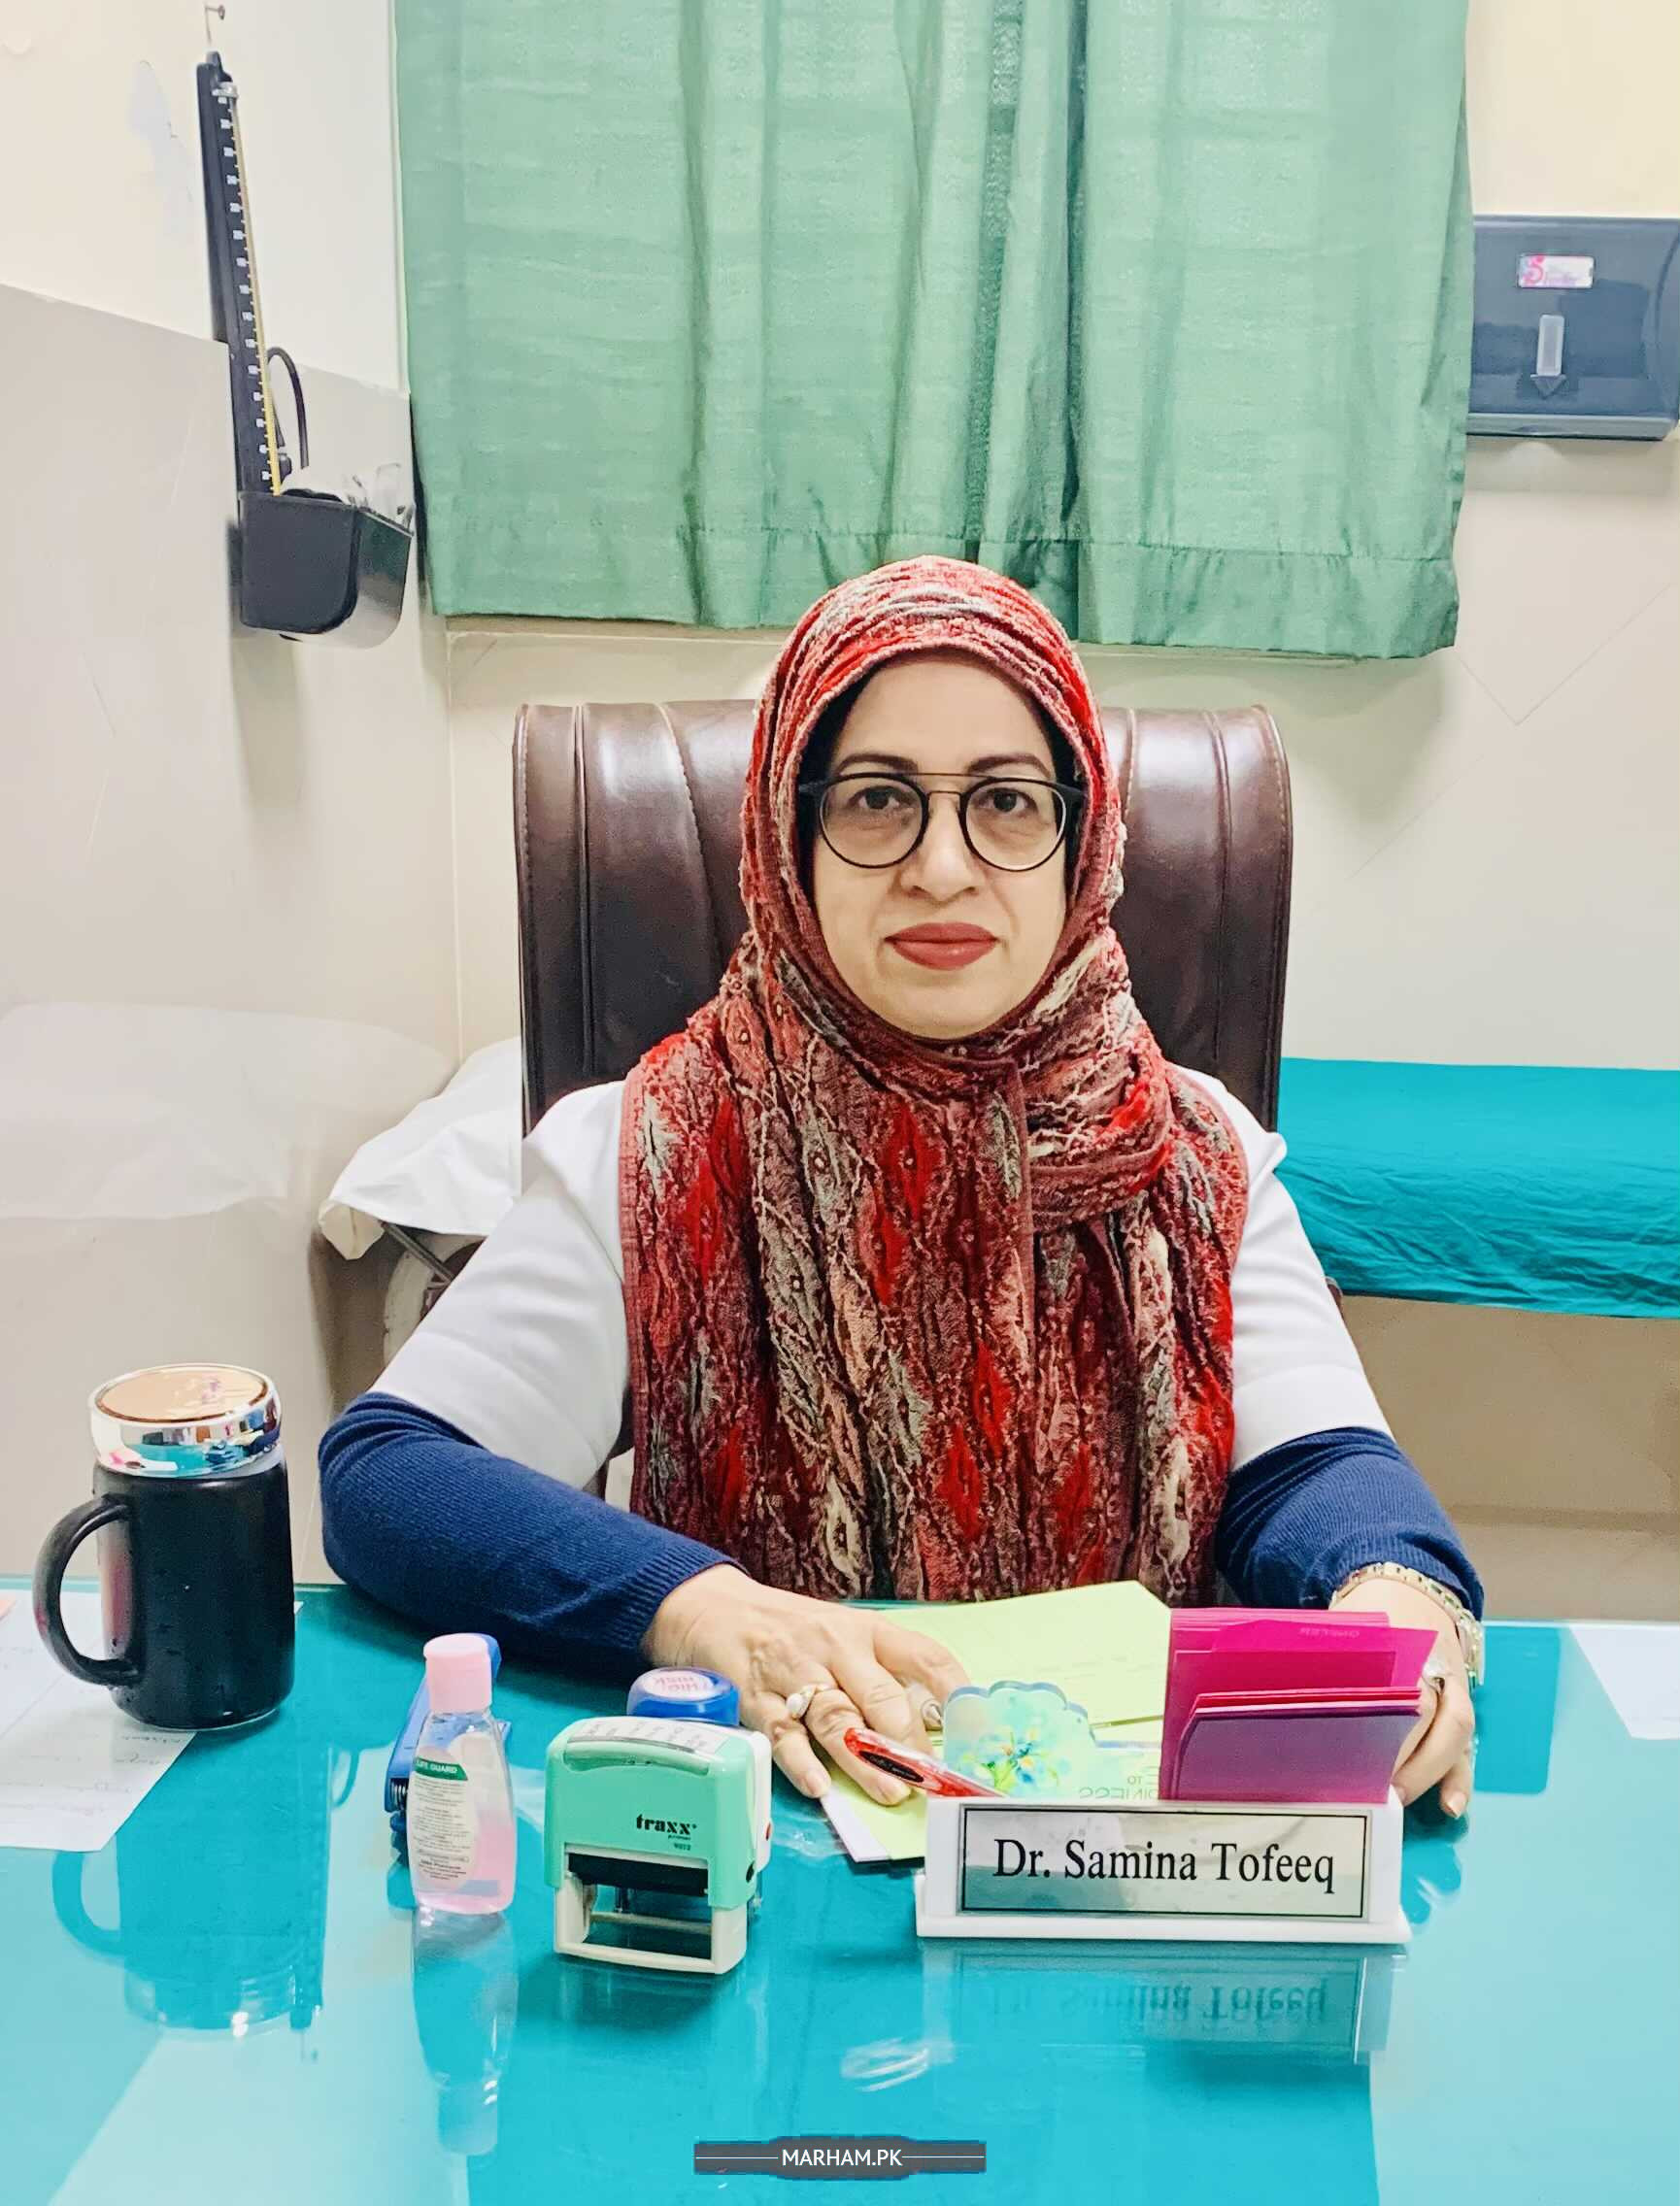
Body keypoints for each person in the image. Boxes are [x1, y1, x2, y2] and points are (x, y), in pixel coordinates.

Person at [320, 556, 1480, 1820]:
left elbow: (1312, 1469)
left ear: (1081, 844)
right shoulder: (651, 1148)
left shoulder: (1192, 1154)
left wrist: (1392, 1590)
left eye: (1007, 802)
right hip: (774, 1833)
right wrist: (703, 1611)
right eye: (877, 800)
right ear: (788, 840)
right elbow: (391, 1476)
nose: (941, 867)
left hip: (1116, 1849)